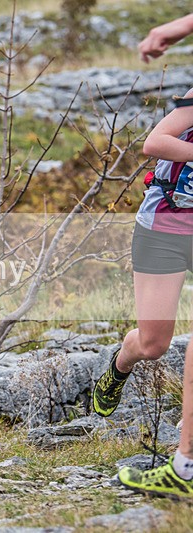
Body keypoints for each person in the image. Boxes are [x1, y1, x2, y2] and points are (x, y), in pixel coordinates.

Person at [93, 87, 193, 498]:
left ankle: (184, 458)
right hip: (166, 226)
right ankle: (119, 366)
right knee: (153, 344)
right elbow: (156, 142)